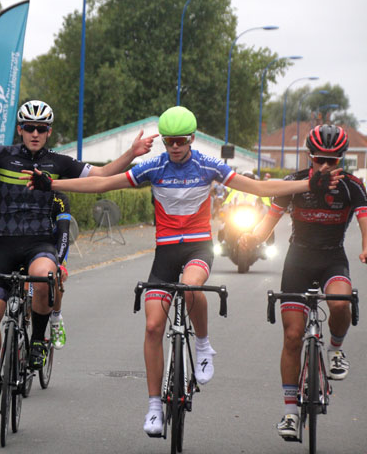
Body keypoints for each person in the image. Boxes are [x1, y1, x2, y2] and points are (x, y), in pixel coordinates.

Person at [24, 106, 340, 436]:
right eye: (170, 141)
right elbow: (103, 185)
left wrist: (307, 184)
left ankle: (203, 345)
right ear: (164, 141)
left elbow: (258, 188)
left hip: (197, 248)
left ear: (191, 139)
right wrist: (53, 185)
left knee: (191, 287)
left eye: (181, 141)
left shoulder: (207, 166)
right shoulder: (153, 167)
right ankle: (154, 409)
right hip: (165, 253)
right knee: (152, 327)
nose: (175, 147)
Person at [0, 99, 157, 417]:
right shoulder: (2, 155)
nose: (35, 133)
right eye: (29, 127)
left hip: (39, 244)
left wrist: (131, 153)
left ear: (48, 131)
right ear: (20, 129)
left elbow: (100, 174)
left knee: (46, 276)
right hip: (4, 245)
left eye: (41, 128)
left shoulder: (58, 162)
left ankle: (36, 341)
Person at [239, 124, 367, 440]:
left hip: (332, 259)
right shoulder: (294, 183)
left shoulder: (352, 187)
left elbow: (365, 220)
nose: (324, 166)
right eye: (319, 160)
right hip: (298, 261)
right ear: (309, 156)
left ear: (341, 158)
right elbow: (266, 224)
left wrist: (366, 246)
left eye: (332, 160)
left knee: (340, 302)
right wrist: (252, 238)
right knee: (293, 336)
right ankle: (290, 413)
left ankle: (336, 350)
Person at [49, 191, 71, 350]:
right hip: (28, 243)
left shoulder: (59, 199)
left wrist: (59, 263)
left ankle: (56, 318)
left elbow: (64, 233)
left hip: (54, 246)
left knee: (55, 277)